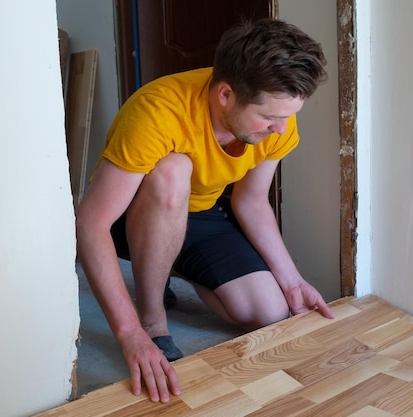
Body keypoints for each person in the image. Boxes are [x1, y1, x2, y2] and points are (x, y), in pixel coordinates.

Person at [75, 18, 334, 404]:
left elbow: (250, 200)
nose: (281, 129)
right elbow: (91, 223)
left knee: (268, 311)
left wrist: (292, 280)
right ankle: (153, 316)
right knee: (173, 170)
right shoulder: (158, 111)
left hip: (201, 211)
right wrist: (131, 334)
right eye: (269, 118)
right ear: (225, 95)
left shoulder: (278, 123)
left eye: (288, 115)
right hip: (130, 213)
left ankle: (169, 261)